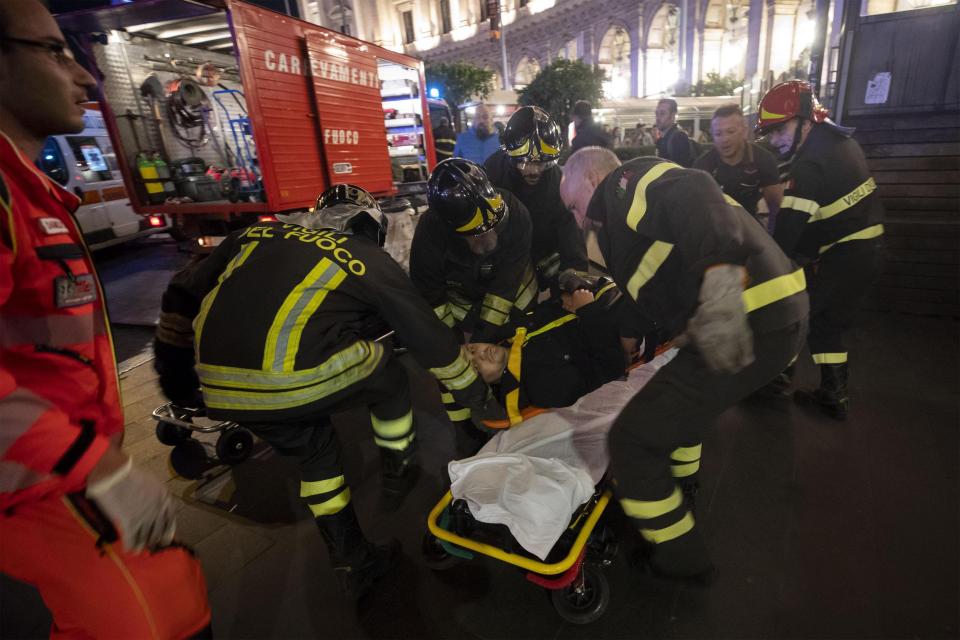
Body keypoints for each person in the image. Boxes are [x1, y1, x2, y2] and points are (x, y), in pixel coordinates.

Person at [154, 184, 490, 600]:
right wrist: (478, 395)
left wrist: (176, 379)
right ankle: (400, 464)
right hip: (289, 374)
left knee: (316, 450)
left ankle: (355, 560)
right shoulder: (364, 255)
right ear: (367, 225)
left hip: (220, 386)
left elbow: (181, 291)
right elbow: (425, 334)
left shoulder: (254, 235)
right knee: (386, 369)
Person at [0, 1, 211, 637]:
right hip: (40, 484)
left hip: (59, 475)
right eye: (54, 51)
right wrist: (96, 468)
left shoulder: (27, 190)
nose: (87, 77)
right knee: (160, 614)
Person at [560, 148, 808, 582]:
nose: (579, 220)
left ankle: (680, 560)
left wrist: (720, 281)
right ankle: (683, 487)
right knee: (682, 406)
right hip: (773, 315)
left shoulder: (624, 185)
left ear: (590, 181)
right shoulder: (627, 226)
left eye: (574, 206)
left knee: (632, 441)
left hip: (747, 314)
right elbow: (647, 287)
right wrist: (630, 336)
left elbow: (695, 187)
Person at [757, 80, 885, 419]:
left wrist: (770, 265)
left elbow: (789, 227)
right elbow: (824, 214)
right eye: (770, 133)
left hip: (845, 255)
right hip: (864, 252)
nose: (774, 140)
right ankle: (834, 394)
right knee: (827, 323)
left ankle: (776, 380)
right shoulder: (841, 143)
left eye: (779, 129)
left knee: (793, 311)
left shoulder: (809, 163)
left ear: (805, 120)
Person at [409, 158, 537, 453]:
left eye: (491, 227)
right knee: (450, 362)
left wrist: (480, 342)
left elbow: (506, 286)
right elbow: (432, 300)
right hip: (460, 299)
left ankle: (514, 413)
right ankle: (465, 432)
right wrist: (455, 354)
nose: (489, 237)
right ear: (453, 230)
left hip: (512, 293)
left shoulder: (515, 212)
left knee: (509, 354)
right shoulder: (430, 234)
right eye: (477, 233)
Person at [465, 281, 628, 424]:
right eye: (476, 366)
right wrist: (587, 310)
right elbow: (612, 366)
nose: (481, 355)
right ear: (485, 383)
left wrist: (563, 298)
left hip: (609, 292)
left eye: (472, 349)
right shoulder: (540, 388)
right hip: (627, 321)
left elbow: (548, 308)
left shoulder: (514, 331)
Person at [483, 106, 588, 292]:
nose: (533, 171)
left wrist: (574, 273)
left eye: (542, 163)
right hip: (504, 253)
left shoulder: (559, 183)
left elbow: (570, 229)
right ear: (510, 156)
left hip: (544, 252)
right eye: (524, 163)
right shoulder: (493, 173)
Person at [694, 104, 783, 219]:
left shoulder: (763, 159)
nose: (725, 139)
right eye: (718, 134)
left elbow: (775, 207)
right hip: (714, 226)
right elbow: (695, 209)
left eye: (730, 132)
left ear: (744, 131)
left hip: (750, 224)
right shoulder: (702, 166)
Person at [654, 98, 696, 167]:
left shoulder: (679, 137)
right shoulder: (662, 140)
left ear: (673, 116)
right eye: (656, 113)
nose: (658, 118)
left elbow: (682, 169)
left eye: (662, 113)